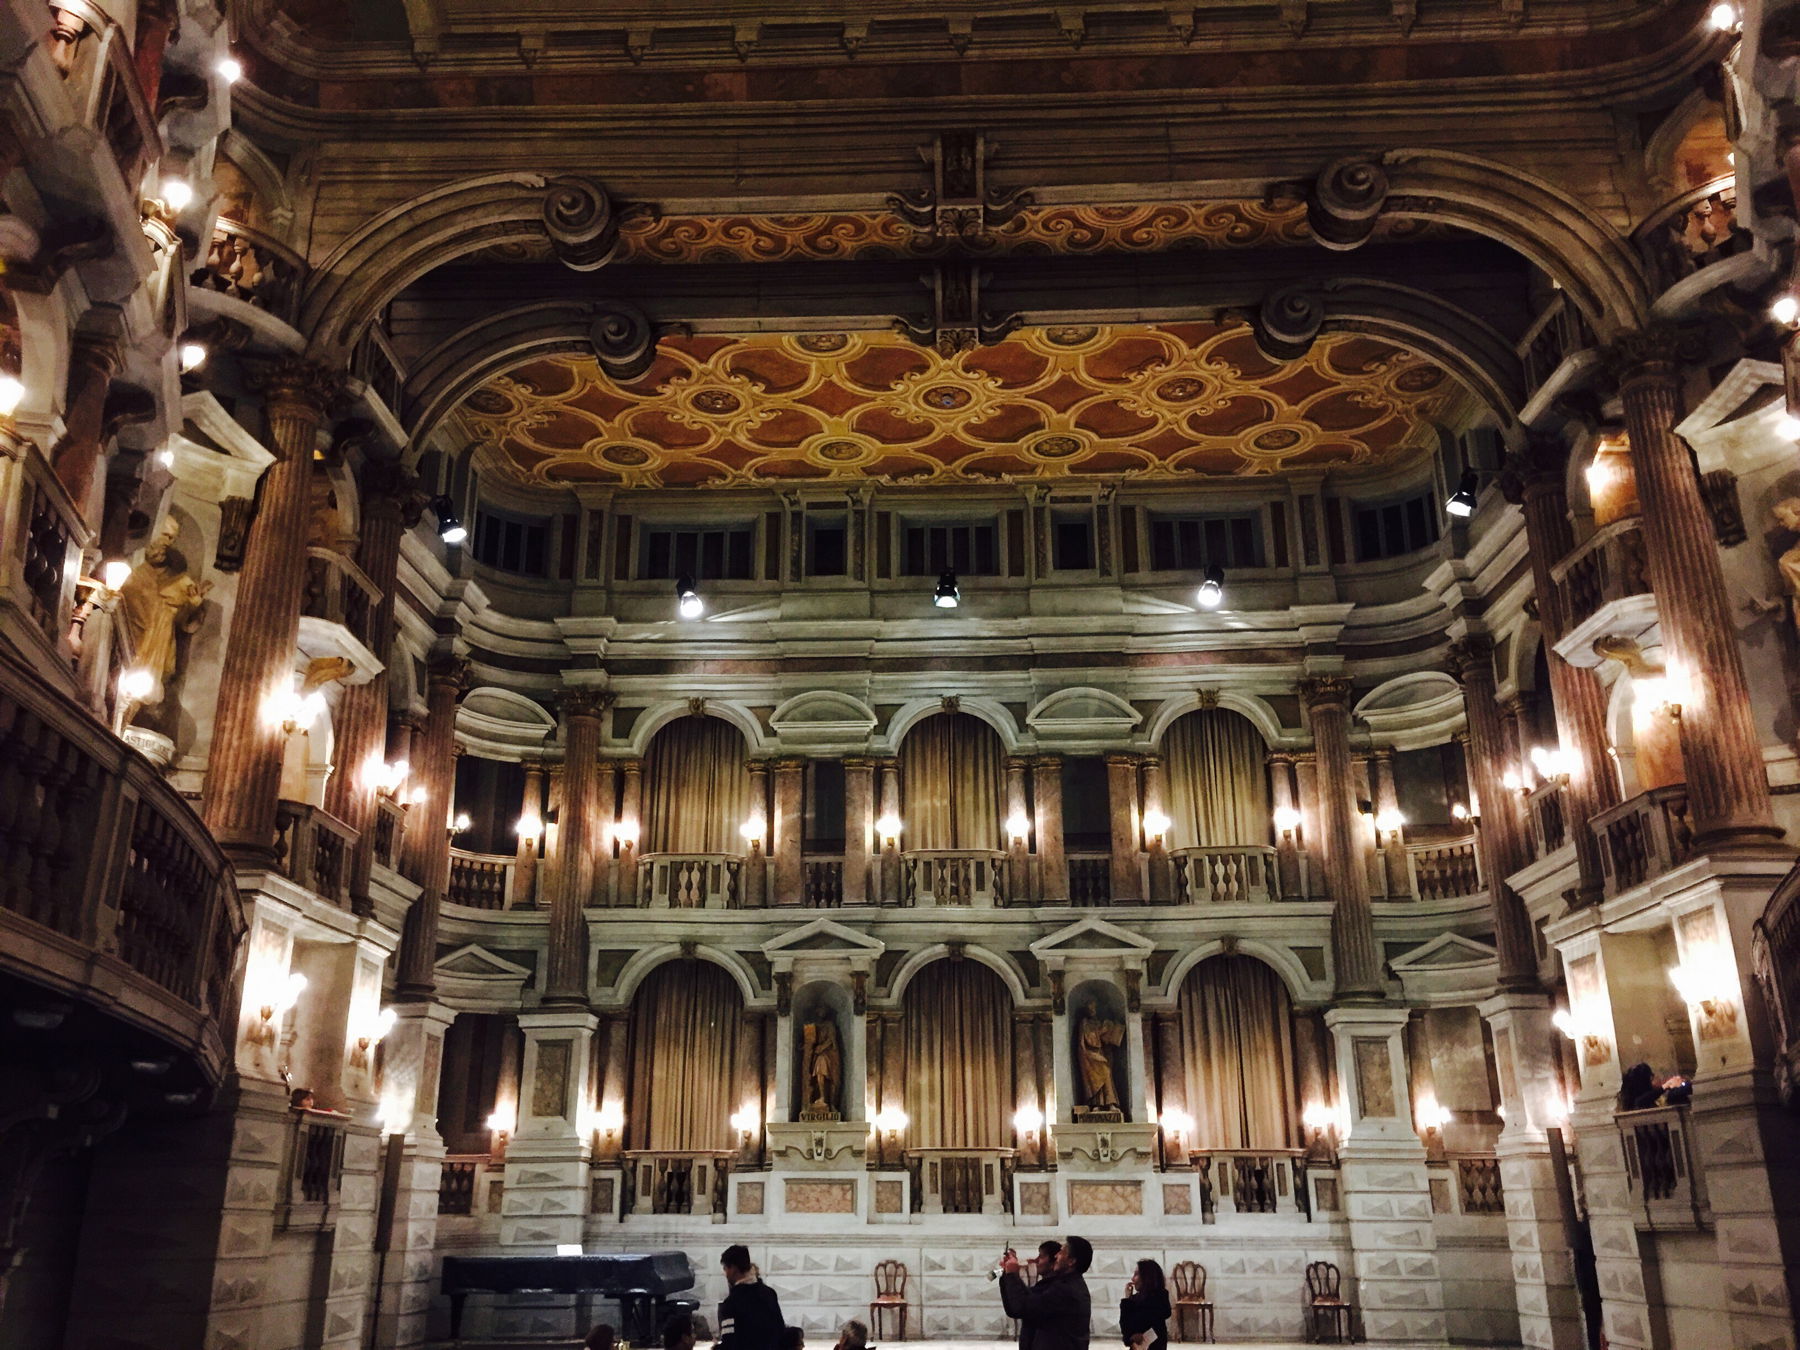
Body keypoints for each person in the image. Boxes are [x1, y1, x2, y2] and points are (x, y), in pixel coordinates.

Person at [999, 1234, 1093, 1350]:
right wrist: (1008, 1275)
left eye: (1061, 1252)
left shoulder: (1066, 1290)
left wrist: (1012, 1275)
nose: (1056, 1256)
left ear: (1071, 1261)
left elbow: (1023, 1306)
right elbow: (1017, 1307)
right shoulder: (1064, 1284)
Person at [718, 1244, 785, 1350]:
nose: (725, 1274)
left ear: (734, 1268)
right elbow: (781, 1332)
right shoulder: (769, 1294)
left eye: (725, 1268)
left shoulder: (731, 1303)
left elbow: (729, 1342)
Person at [1118, 1259, 1170, 1350]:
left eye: (1137, 1274)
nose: (1132, 1279)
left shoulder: (1160, 1297)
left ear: (1147, 1277)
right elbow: (1125, 1327)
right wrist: (1127, 1300)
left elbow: (1148, 1318)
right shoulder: (1134, 1299)